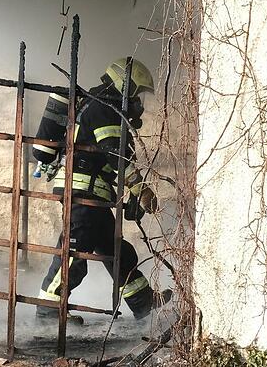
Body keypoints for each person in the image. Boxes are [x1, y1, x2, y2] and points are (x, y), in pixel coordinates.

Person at [33, 57, 170, 320]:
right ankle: (48, 311)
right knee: (73, 254)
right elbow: (116, 154)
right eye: (137, 94)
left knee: (116, 249)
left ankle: (141, 301)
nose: (139, 103)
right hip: (83, 191)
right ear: (125, 86)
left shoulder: (100, 107)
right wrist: (140, 189)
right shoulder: (103, 109)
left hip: (94, 193)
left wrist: (130, 191)